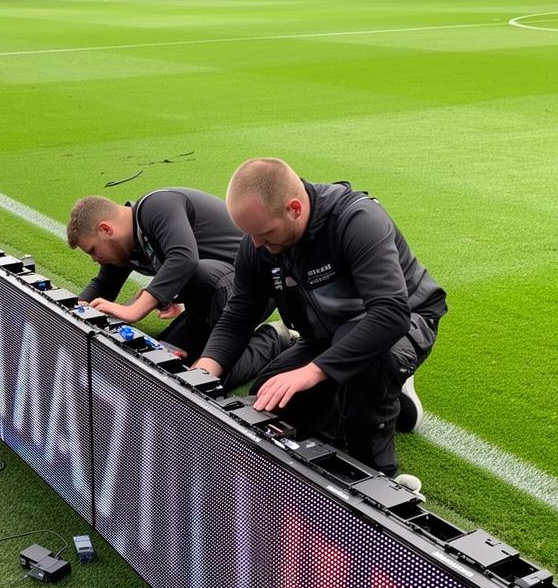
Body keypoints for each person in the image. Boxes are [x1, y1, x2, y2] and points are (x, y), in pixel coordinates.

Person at [192, 158, 447, 478]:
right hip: (328, 334)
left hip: (403, 323)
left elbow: (391, 313)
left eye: (265, 233)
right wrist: (205, 370)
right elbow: (239, 314)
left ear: (295, 208)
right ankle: (377, 397)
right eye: (251, 235)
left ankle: (383, 475)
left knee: (366, 393)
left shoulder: (357, 220)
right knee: (271, 401)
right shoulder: (258, 243)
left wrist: (314, 371)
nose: (257, 244)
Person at [67, 189, 286, 388]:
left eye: (93, 250)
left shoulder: (157, 206)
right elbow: (104, 284)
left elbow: (183, 258)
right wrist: (72, 313)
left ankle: (273, 338)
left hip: (250, 291)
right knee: (166, 369)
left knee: (205, 382)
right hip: (206, 302)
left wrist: (135, 309)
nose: (95, 259)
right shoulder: (124, 246)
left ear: (106, 229)